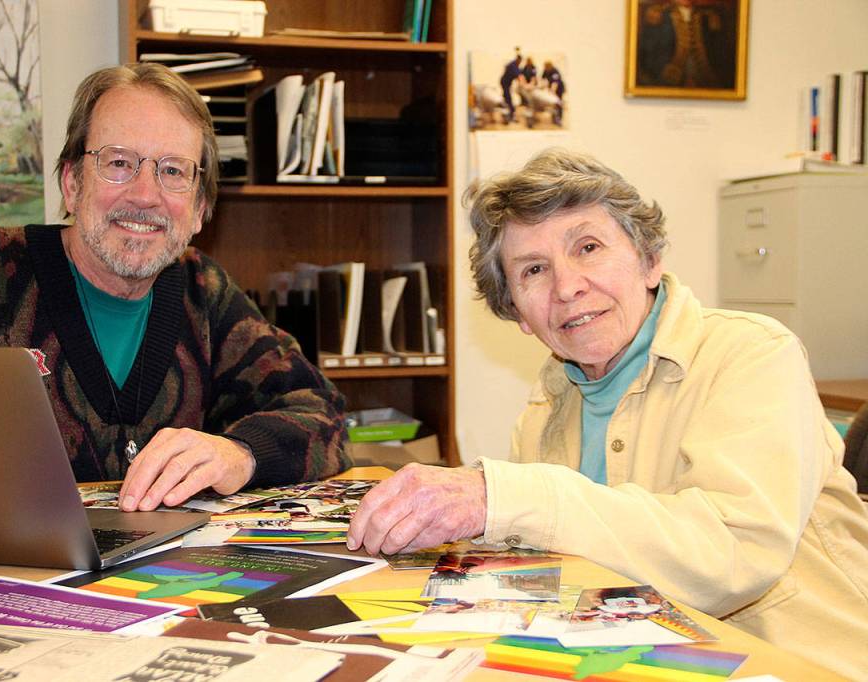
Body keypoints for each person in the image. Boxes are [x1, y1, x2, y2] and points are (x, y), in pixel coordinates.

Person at [347, 148, 868, 678]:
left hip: (796, 663)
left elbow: (732, 552)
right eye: (533, 269)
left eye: (589, 247)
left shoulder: (753, 354)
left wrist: (506, 497)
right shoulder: (548, 401)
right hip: (642, 661)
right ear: (518, 313)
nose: (568, 286)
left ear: (649, 259)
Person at [0, 63, 351, 512]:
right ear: (70, 183)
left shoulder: (205, 294)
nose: (145, 194)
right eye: (118, 162)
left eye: (173, 171)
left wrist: (237, 453)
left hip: (155, 595)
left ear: (199, 210)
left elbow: (322, 416)